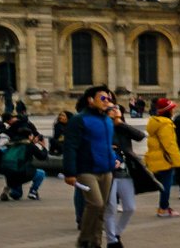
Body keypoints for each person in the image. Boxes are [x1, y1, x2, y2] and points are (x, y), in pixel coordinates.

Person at [64, 86, 117, 248]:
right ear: (90, 100)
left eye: (108, 99)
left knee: (102, 209)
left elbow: (108, 145)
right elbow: (70, 146)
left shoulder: (107, 120)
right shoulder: (79, 119)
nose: (107, 101)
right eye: (103, 98)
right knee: (95, 204)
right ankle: (83, 240)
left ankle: (96, 242)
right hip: (86, 170)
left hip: (106, 170)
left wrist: (114, 159)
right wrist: (70, 172)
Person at [105, 102, 151, 248]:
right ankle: (112, 240)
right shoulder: (104, 127)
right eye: (112, 109)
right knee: (111, 207)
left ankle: (116, 233)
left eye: (117, 108)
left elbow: (140, 136)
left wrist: (120, 123)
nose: (115, 111)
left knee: (130, 207)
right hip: (109, 172)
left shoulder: (122, 127)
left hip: (126, 172)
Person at [144, 97, 180, 217]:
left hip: (155, 157)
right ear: (168, 111)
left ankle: (164, 207)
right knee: (166, 185)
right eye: (172, 109)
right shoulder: (166, 124)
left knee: (163, 184)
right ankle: (163, 208)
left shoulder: (155, 122)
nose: (173, 111)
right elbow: (169, 144)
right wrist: (178, 161)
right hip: (165, 159)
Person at [0, 121, 48, 200]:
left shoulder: (11, 143)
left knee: (17, 195)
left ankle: (8, 189)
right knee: (41, 173)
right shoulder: (29, 145)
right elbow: (42, 157)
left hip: (7, 172)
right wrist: (43, 147)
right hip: (22, 172)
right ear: (29, 136)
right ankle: (33, 192)